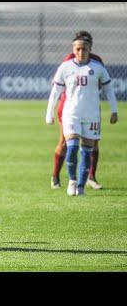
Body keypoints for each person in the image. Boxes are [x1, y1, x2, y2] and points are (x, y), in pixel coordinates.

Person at [45, 33, 118, 196]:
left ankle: (82, 186)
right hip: (71, 114)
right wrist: (49, 113)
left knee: (86, 152)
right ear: (73, 49)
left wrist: (114, 110)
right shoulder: (66, 66)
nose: (81, 51)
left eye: (84, 48)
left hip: (91, 115)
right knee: (70, 148)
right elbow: (56, 90)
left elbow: (108, 89)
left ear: (90, 48)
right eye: (77, 48)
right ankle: (71, 180)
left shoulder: (97, 67)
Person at [51, 31, 104, 190]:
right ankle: (55, 176)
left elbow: (101, 83)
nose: (82, 50)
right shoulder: (70, 60)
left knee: (94, 142)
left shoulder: (96, 61)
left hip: (90, 107)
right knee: (65, 142)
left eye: (86, 44)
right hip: (69, 107)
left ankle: (91, 177)